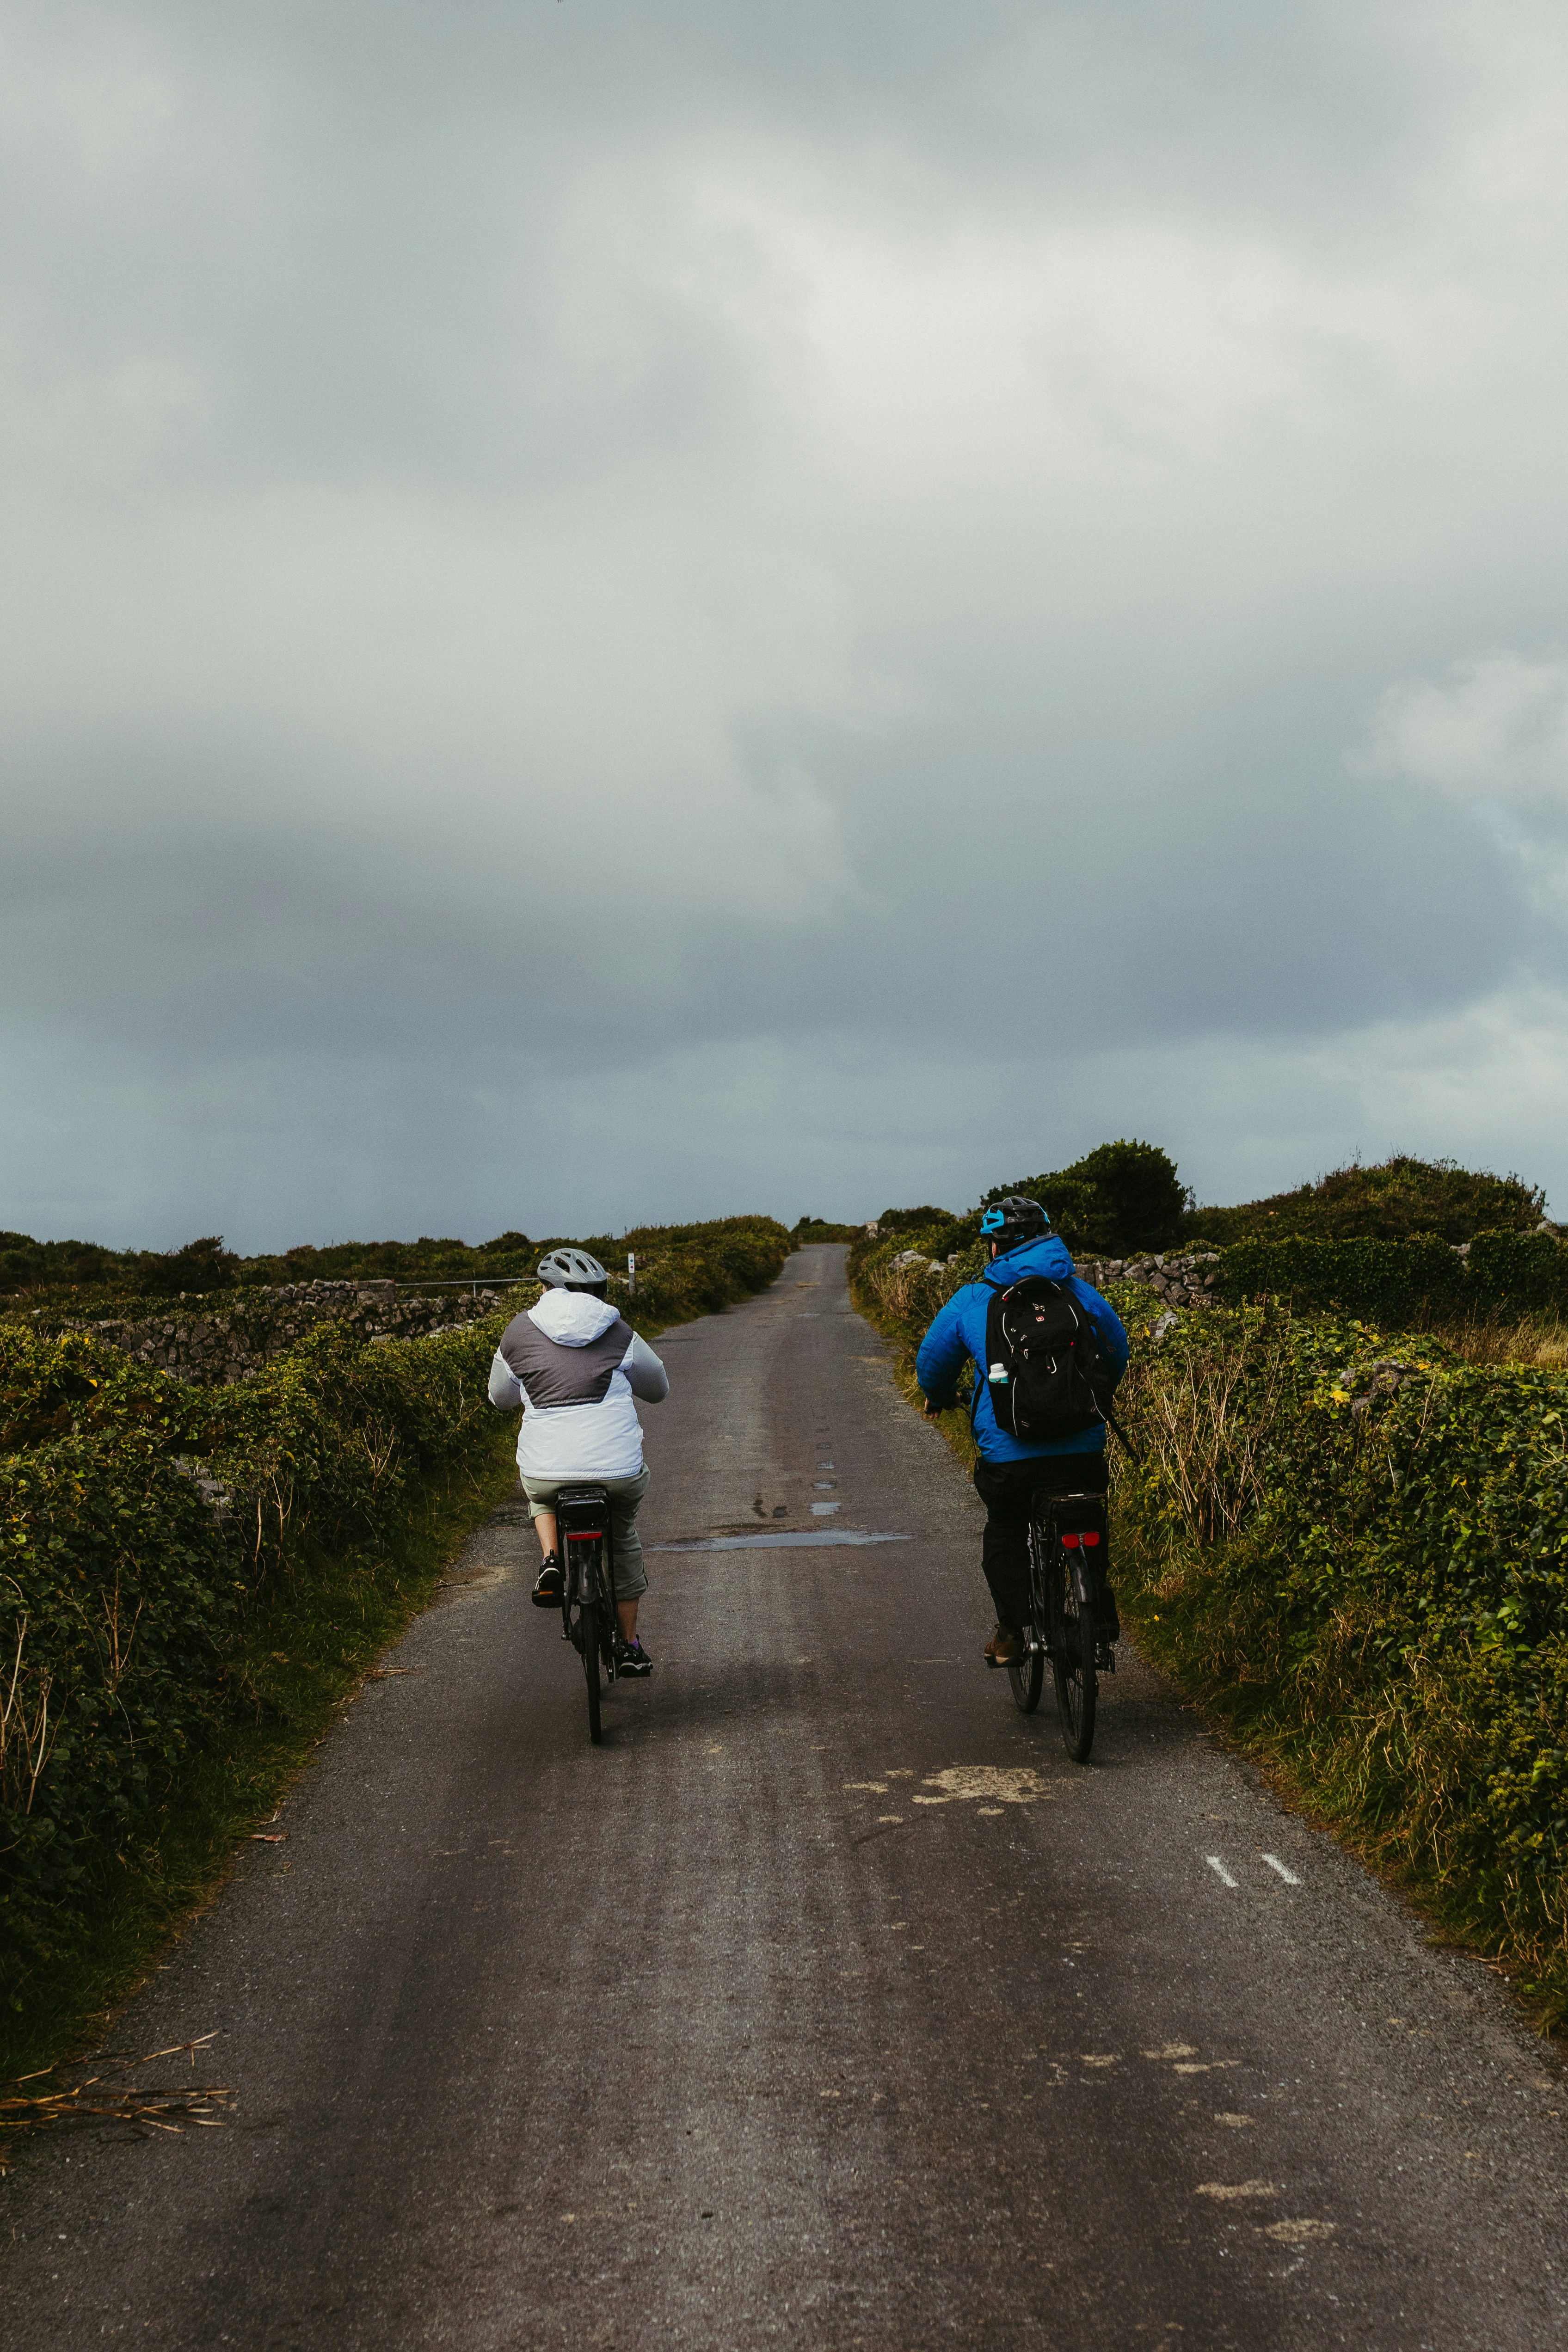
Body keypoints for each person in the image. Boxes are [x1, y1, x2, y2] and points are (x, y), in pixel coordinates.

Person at [914, 1195, 1130, 1668]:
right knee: (1086, 1518)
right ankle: (1099, 1608)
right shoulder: (1078, 1293)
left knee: (1006, 1527)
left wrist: (936, 1394)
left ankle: (1013, 1632)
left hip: (1010, 1457)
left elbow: (931, 1363)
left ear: (994, 1247)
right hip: (1080, 1447)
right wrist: (1092, 1397)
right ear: (1046, 1236)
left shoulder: (973, 1299)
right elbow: (1116, 1350)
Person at [487, 1247, 669, 1676]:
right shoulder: (618, 1330)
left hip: (547, 1470)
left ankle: (551, 1558)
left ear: (546, 1289)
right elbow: (658, 1387)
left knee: (540, 1489)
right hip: (616, 1471)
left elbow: (499, 1398)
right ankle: (628, 1646)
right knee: (621, 1537)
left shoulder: (518, 1331)